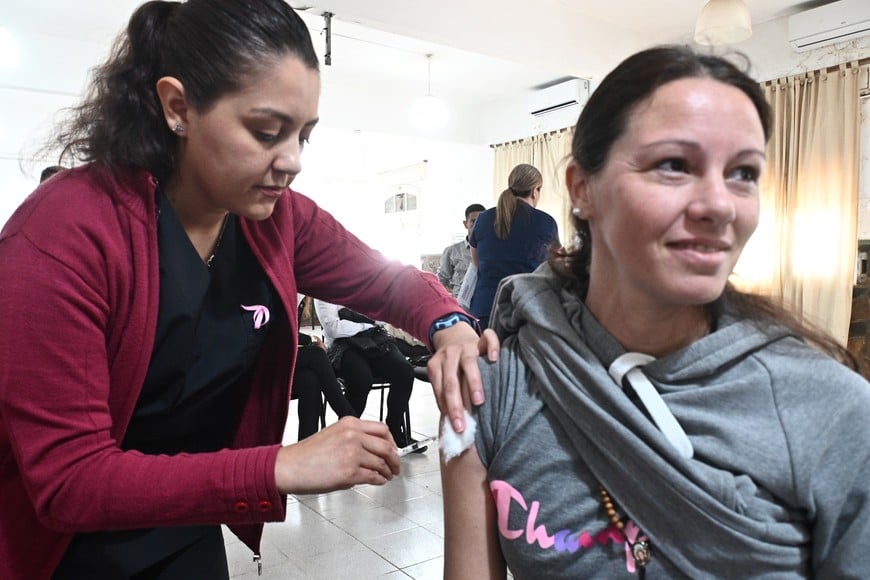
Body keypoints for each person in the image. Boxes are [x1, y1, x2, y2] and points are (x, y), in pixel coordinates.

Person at [0, 1, 493, 578]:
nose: (291, 162)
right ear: (178, 107)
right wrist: (277, 466)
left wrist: (447, 323)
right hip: (60, 549)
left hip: (186, 522)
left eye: (303, 136)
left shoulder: (276, 219)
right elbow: (70, 482)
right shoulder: (66, 235)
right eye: (265, 132)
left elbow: (389, 280)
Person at [441, 45, 870, 578]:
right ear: (582, 189)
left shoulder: (832, 411)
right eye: (673, 165)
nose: (719, 204)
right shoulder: (492, 390)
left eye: (743, 173)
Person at [314, 300, 424, 452]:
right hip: (343, 345)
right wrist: (367, 322)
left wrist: (357, 321)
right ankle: (348, 434)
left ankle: (394, 429)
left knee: (405, 371)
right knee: (361, 379)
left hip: (376, 339)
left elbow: (383, 317)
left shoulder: (363, 281)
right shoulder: (323, 291)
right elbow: (334, 329)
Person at [469, 163, 559, 328]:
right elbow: (555, 267)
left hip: (485, 309)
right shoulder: (546, 222)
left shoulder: (483, 219)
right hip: (527, 309)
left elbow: (477, 264)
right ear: (535, 190)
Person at [293, 297, 356, 440]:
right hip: (259, 363)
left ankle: (308, 446)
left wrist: (311, 340)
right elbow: (279, 333)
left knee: (310, 380)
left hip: (279, 361)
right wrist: (311, 341)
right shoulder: (279, 292)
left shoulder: (299, 296)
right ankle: (348, 416)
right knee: (317, 355)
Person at [438, 203, 485, 297]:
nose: (477, 225)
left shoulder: (491, 251)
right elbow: (440, 281)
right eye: (473, 221)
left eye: (481, 221)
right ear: (465, 224)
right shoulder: (452, 251)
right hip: (459, 305)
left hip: (483, 302)